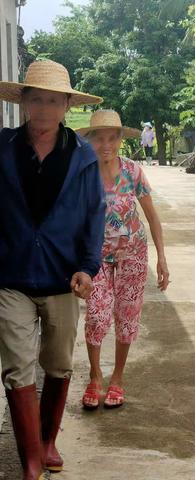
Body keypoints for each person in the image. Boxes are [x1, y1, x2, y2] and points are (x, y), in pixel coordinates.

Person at [0, 59, 104, 479]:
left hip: (64, 278)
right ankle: (30, 463)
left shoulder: (82, 157)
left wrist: (88, 267)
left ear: (66, 106)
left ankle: (47, 440)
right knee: (17, 363)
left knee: (58, 361)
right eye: (36, 99)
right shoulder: (3, 148)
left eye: (53, 101)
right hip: (10, 276)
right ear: (24, 102)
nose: (44, 109)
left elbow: (93, 216)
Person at [77, 110, 169, 409]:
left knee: (127, 316)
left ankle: (117, 377)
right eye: (99, 138)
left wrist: (162, 258)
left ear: (120, 140)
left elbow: (152, 217)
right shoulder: (83, 174)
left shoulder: (132, 172)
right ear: (89, 141)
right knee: (97, 314)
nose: (106, 144)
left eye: (112, 138)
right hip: (96, 257)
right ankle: (94, 376)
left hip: (133, 254)